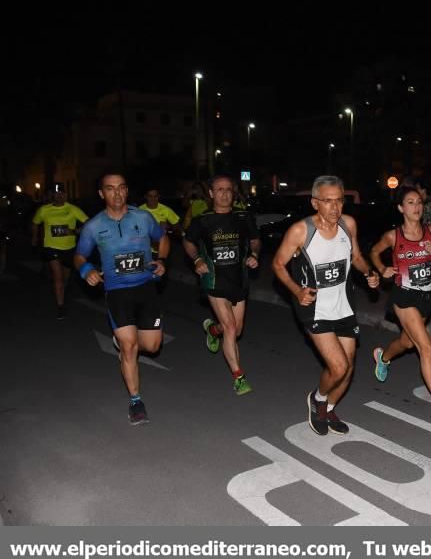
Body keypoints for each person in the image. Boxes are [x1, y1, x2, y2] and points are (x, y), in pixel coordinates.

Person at [272, 176, 379, 436]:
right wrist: (297, 291)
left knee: (349, 366)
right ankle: (318, 399)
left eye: (339, 200)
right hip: (313, 307)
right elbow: (277, 264)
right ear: (315, 203)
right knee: (338, 366)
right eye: (328, 202)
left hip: (343, 305)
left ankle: (327, 407)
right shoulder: (301, 230)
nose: (335, 207)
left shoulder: (348, 224)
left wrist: (368, 273)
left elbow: (356, 256)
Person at [74, 173, 169, 425]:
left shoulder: (143, 217)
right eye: (110, 189)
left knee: (152, 347)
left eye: (121, 188)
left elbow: (162, 238)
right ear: (101, 194)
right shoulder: (94, 226)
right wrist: (87, 270)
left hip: (146, 287)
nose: (117, 193)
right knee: (129, 346)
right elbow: (80, 256)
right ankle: (136, 402)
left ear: (127, 191)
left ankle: (126, 339)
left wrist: (161, 260)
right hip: (117, 291)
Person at [369, 186, 431, 419]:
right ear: (401, 208)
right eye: (410, 202)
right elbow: (374, 252)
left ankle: (384, 357)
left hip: (427, 297)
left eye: (419, 202)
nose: (417, 207)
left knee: (407, 343)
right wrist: (381, 269)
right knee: (427, 347)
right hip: (404, 296)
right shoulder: (393, 236)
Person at [183, 175, 261, 395]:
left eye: (228, 190)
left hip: (239, 279)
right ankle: (239, 377)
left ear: (233, 192)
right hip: (214, 279)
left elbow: (255, 239)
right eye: (219, 190)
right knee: (230, 327)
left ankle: (211, 328)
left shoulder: (243, 216)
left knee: (236, 331)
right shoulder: (202, 220)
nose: (224, 194)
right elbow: (188, 242)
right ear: (211, 193)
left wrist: (254, 253)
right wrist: (197, 259)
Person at [31, 183, 89, 319]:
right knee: (58, 277)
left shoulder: (73, 209)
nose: (59, 196)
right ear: (52, 195)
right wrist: (34, 238)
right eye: (56, 193)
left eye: (62, 193)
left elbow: (89, 223)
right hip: (51, 247)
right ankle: (60, 307)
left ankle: (63, 292)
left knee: (65, 278)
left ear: (66, 195)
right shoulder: (44, 210)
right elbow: (35, 223)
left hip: (69, 248)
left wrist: (75, 231)